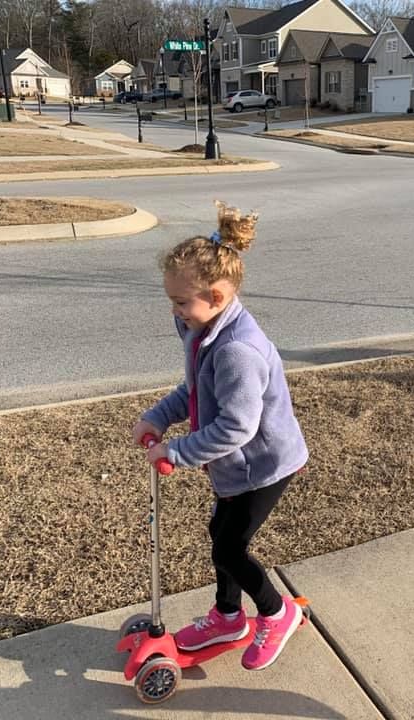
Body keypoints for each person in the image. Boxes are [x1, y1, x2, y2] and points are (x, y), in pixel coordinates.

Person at [132, 200, 308, 671]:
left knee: (229, 547)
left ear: (216, 295)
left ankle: (277, 613)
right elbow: (195, 390)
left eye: (180, 302)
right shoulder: (204, 328)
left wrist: (177, 451)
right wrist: (157, 418)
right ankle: (228, 616)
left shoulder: (236, 351)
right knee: (221, 537)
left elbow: (237, 426)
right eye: (172, 300)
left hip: (263, 465)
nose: (175, 311)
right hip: (235, 462)